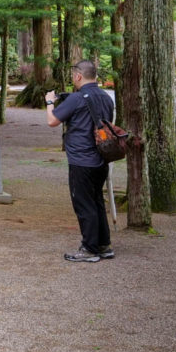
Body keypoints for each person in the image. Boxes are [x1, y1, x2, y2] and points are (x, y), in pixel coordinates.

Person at [45, 60, 115, 263]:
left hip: (81, 159)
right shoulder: (106, 97)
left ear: (78, 76)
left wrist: (50, 102)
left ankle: (90, 248)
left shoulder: (77, 99)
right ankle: (104, 244)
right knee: (96, 201)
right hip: (101, 158)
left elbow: (52, 121)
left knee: (84, 204)